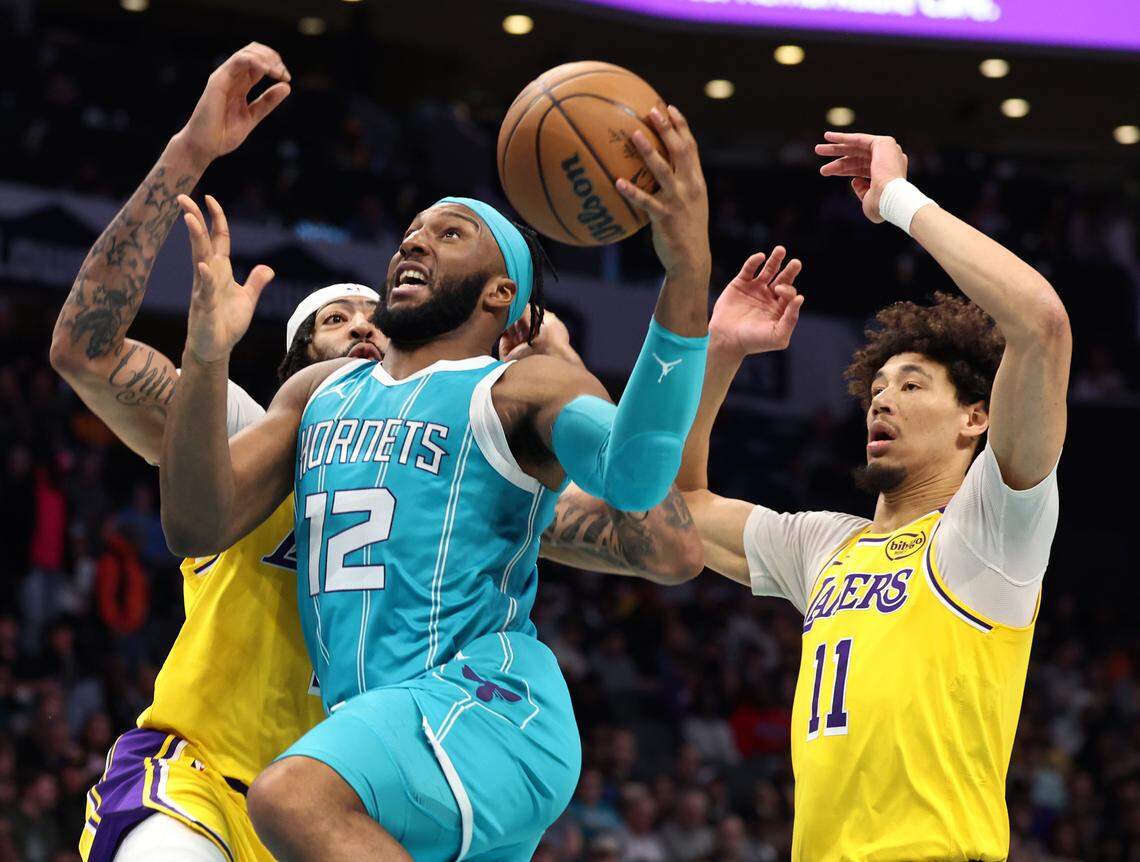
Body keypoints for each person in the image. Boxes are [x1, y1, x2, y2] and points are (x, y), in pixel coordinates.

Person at [50, 44, 701, 862]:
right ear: (296, 359)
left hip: (384, 775)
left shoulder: (488, 433)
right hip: (225, 783)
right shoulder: (275, 420)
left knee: (300, 794)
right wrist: (192, 168)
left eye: (369, 315)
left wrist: (590, 356)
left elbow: (659, 528)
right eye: (333, 321)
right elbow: (90, 355)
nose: (362, 325)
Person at [677, 131, 1071, 861]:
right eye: (877, 390)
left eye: (912, 386)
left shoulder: (991, 531)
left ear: (975, 418)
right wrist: (720, 351)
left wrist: (896, 200)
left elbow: (1041, 326)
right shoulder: (824, 544)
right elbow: (679, 511)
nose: (881, 403)